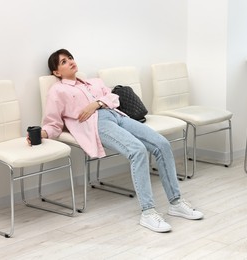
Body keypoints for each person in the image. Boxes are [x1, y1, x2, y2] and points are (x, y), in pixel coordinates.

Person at [35, 49, 204, 232]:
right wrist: (41, 134)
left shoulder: (94, 82)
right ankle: (148, 213)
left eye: (70, 58)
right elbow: (53, 123)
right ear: (57, 72)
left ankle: (176, 202)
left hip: (118, 116)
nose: (70, 62)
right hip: (97, 124)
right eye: (63, 62)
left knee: (162, 144)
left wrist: (97, 103)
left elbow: (114, 97)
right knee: (137, 151)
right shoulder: (58, 90)